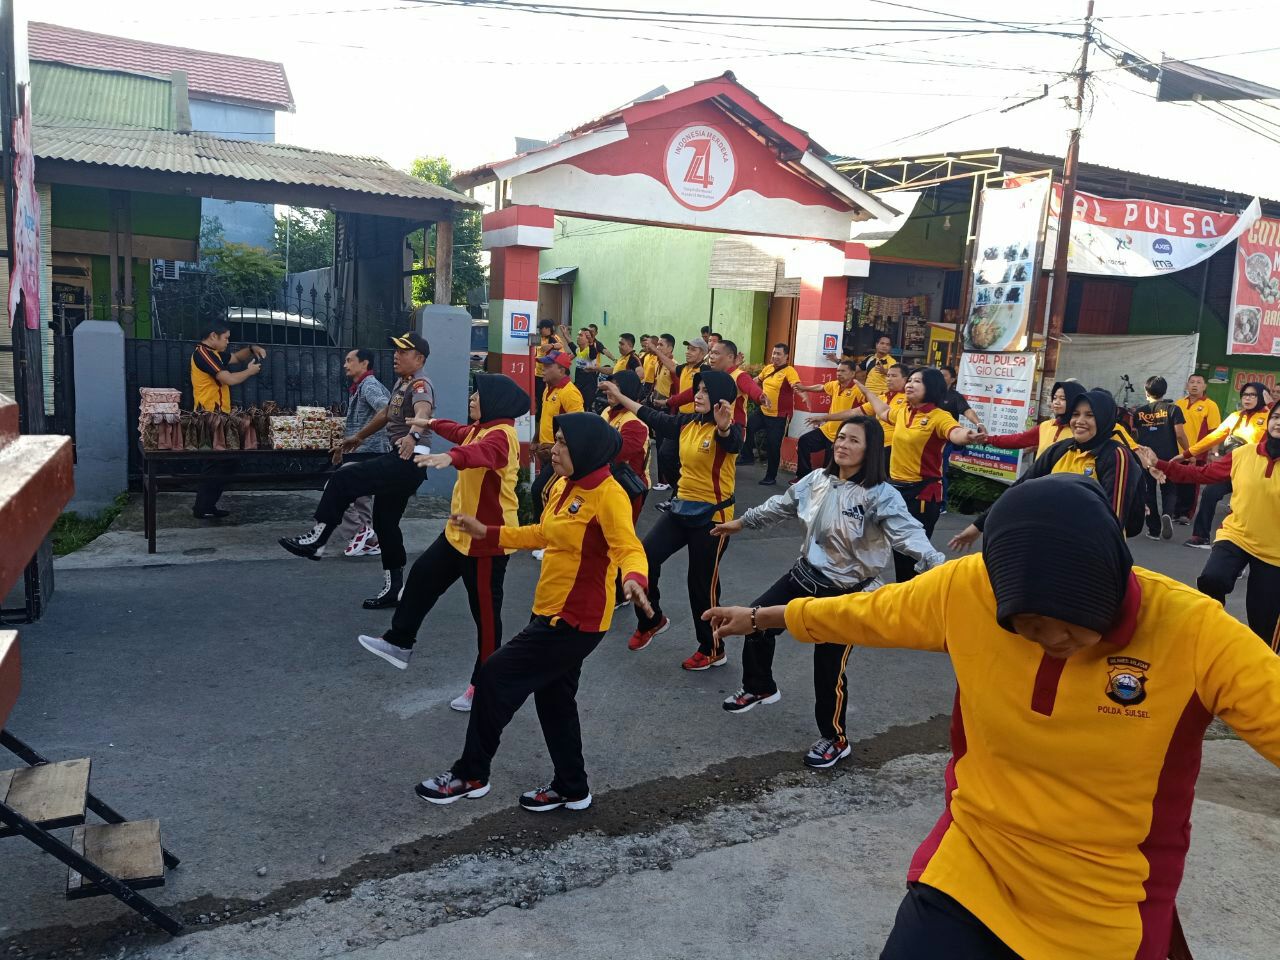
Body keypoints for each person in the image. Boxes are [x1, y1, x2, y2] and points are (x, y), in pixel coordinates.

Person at [705, 472, 1280, 960]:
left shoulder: (1195, 632)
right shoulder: (968, 590)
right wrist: (763, 617)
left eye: (1073, 621)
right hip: (976, 858)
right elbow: (865, 612)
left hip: (1107, 898)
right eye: (1029, 626)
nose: (1053, 639)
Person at [416, 414, 651, 811]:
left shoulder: (608, 495)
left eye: (562, 443)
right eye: (555, 441)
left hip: (575, 620)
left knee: (494, 674)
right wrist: (488, 532)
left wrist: (634, 579)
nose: (553, 450)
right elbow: (542, 533)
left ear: (587, 450)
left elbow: (629, 546)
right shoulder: (563, 485)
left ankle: (471, 774)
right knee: (554, 699)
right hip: (550, 609)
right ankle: (572, 787)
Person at [710, 417, 944, 768]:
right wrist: (742, 523)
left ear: (870, 450)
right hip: (803, 576)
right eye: (841, 438)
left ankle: (835, 739)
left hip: (846, 595)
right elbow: (781, 505)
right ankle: (760, 687)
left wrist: (939, 567)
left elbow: (910, 535)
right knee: (755, 623)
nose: (842, 445)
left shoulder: (881, 496)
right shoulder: (818, 479)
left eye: (853, 440)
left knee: (828, 669)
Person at [355, 374, 528, 713]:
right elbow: (458, 432)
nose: (473, 398)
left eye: (478, 394)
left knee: (486, 620)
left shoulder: (502, 436)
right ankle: (399, 642)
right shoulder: (481, 428)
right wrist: (428, 421)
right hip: (457, 534)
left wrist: (451, 458)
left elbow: (479, 453)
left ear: (497, 402)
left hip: (485, 540)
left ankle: (485, 685)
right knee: (421, 577)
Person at [278, 332, 434, 609]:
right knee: (386, 524)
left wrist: (413, 435)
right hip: (404, 462)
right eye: (395, 350)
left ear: (419, 358)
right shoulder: (402, 382)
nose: (396, 355)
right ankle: (394, 589)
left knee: (343, 478)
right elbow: (385, 414)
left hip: (408, 460)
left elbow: (423, 412)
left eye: (403, 351)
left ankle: (318, 539)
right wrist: (358, 437)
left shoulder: (421, 384)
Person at [600, 370, 741, 670]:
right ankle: (652, 620)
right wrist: (621, 395)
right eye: (697, 390)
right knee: (644, 558)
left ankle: (713, 647)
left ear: (721, 398)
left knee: (701, 585)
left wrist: (725, 426)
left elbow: (732, 442)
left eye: (705, 391)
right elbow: (649, 415)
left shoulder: (725, 429)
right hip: (682, 510)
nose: (699, 395)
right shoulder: (687, 423)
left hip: (714, 519)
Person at [1136, 401, 1280, 646]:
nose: (1279, 422)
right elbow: (1202, 475)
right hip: (1237, 536)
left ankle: (1260, 666)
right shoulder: (1243, 454)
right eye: (1276, 416)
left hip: (1275, 553)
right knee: (1212, 579)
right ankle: (1213, 632)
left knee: (1263, 623)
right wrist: (1159, 464)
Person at [950, 389, 1142, 551]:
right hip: (1049, 544)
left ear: (1104, 418)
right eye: (1075, 414)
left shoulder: (1117, 456)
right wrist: (978, 526)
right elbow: (1019, 489)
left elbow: (1112, 521)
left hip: (1092, 553)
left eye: (1089, 415)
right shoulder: (1060, 449)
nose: (1079, 421)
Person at [863, 367, 984, 582]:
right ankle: (908, 598)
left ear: (932, 387)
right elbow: (882, 412)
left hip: (922, 496)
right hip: (896, 492)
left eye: (917, 381)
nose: (909, 384)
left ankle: (916, 601)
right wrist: (867, 391)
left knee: (911, 557)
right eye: (909, 380)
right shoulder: (903, 411)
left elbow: (954, 432)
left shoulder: (939, 416)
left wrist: (968, 435)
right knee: (898, 552)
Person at [189, 323, 266, 519]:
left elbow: (236, 357)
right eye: (226, 338)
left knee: (224, 462)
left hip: (220, 416)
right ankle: (202, 507)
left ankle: (206, 505)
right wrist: (249, 372)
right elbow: (228, 379)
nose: (228, 342)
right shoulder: (203, 354)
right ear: (213, 336)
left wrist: (251, 349)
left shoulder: (214, 354)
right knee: (217, 462)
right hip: (209, 416)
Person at [1182, 381, 1272, 549]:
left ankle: (1242, 548)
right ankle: (1201, 537)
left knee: (1243, 508)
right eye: (1245, 394)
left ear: (1262, 397)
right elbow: (1213, 437)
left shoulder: (1270, 416)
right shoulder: (1236, 416)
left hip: (1256, 472)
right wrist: (1186, 454)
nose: (1248, 398)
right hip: (1231, 467)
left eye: (1253, 395)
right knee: (1209, 493)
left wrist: (1272, 406)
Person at [332, 348, 392, 558]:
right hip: (365, 451)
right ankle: (371, 542)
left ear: (364, 364)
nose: (345, 364)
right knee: (361, 499)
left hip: (368, 451)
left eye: (349, 360)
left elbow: (385, 410)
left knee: (335, 489)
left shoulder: (369, 386)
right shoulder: (362, 386)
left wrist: (359, 437)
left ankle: (361, 532)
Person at [1132, 376, 1189, 542]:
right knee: (1169, 488)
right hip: (1168, 456)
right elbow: (1179, 434)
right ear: (1164, 391)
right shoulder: (1173, 409)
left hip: (1147, 456)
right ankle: (1167, 514)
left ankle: (1154, 529)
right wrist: (1188, 452)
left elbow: (1135, 436)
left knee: (1148, 491)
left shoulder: (1139, 412)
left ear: (1146, 391)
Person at [665, 338, 768, 428]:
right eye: (711, 353)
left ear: (730, 357)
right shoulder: (712, 375)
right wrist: (669, 402)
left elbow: (751, 387)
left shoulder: (739, 375)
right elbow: (691, 393)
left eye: (716, 353)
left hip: (733, 428)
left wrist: (760, 396)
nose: (712, 357)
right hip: (712, 426)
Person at [530, 350, 584, 510]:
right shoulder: (548, 389)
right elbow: (545, 417)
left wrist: (559, 448)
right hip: (546, 452)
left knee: (540, 491)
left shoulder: (570, 393)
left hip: (560, 455)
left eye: (547, 366)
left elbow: (577, 429)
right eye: (542, 365)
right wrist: (535, 440)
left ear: (561, 369)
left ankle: (543, 529)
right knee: (550, 493)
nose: (542, 369)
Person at [794, 360, 867, 478]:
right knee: (804, 441)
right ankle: (803, 477)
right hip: (827, 430)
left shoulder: (858, 390)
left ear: (852, 373)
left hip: (841, 436)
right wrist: (804, 388)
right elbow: (821, 387)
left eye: (843, 371)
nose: (839, 373)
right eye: (838, 370)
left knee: (829, 471)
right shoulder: (835, 385)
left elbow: (865, 411)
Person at [654, 337, 709, 494]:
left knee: (688, 460)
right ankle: (678, 490)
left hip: (695, 419)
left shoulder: (704, 371)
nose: (688, 352)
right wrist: (656, 350)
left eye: (693, 349)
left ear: (703, 353)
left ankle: (682, 494)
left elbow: (691, 393)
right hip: (680, 418)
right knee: (666, 454)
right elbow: (670, 364)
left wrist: (668, 402)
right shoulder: (684, 368)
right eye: (688, 349)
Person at [742, 343, 802, 486]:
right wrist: (742, 383)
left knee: (773, 446)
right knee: (748, 425)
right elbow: (756, 381)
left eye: (778, 354)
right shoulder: (768, 368)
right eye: (774, 353)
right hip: (763, 411)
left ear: (786, 357)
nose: (775, 356)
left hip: (779, 416)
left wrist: (803, 393)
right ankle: (748, 456)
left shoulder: (789, 371)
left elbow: (796, 384)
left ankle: (771, 476)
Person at [984, 380, 1087, 456]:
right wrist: (988, 439)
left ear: (1074, 401)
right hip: (1040, 483)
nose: (1056, 402)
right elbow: (1018, 440)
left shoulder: (1082, 431)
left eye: (1063, 398)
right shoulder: (1047, 426)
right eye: (1054, 398)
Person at [1171, 374, 1221, 524]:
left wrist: (1214, 452)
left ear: (1204, 386)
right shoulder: (1178, 403)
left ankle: (1186, 513)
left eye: (1199, 382)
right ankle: (1174, 511)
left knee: (1191, 484)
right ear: (1187, 386)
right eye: (1192, 382)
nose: (1195, 385)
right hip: (1176, 451)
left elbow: (1215, 432)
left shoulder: (1210, 405)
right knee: (1175, 482)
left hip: (1196, 453)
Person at [570, 327, 603, 410]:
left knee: (586, 408)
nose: (578, 337)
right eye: (578, 335)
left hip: (588, 386)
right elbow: (571, 345)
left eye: (580, 335)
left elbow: (593, 354)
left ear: (587, 340)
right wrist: (565, 334)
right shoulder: (578, 350)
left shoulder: (590, 350)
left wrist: (591, 342)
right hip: (579, 383)